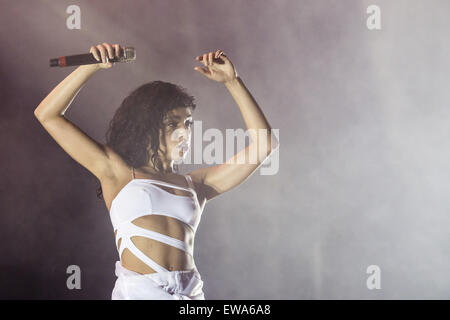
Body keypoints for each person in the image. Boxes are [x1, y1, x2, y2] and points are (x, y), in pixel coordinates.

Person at [34, 42, 279, 299]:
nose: (184, 131)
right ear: (146, 127)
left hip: (190, 295)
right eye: (173, 123)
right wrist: (91, 66)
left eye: (188, 123)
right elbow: (48, 115)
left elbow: (265, 146)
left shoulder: (197, 184)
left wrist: (233, 81)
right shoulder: (118, 173)